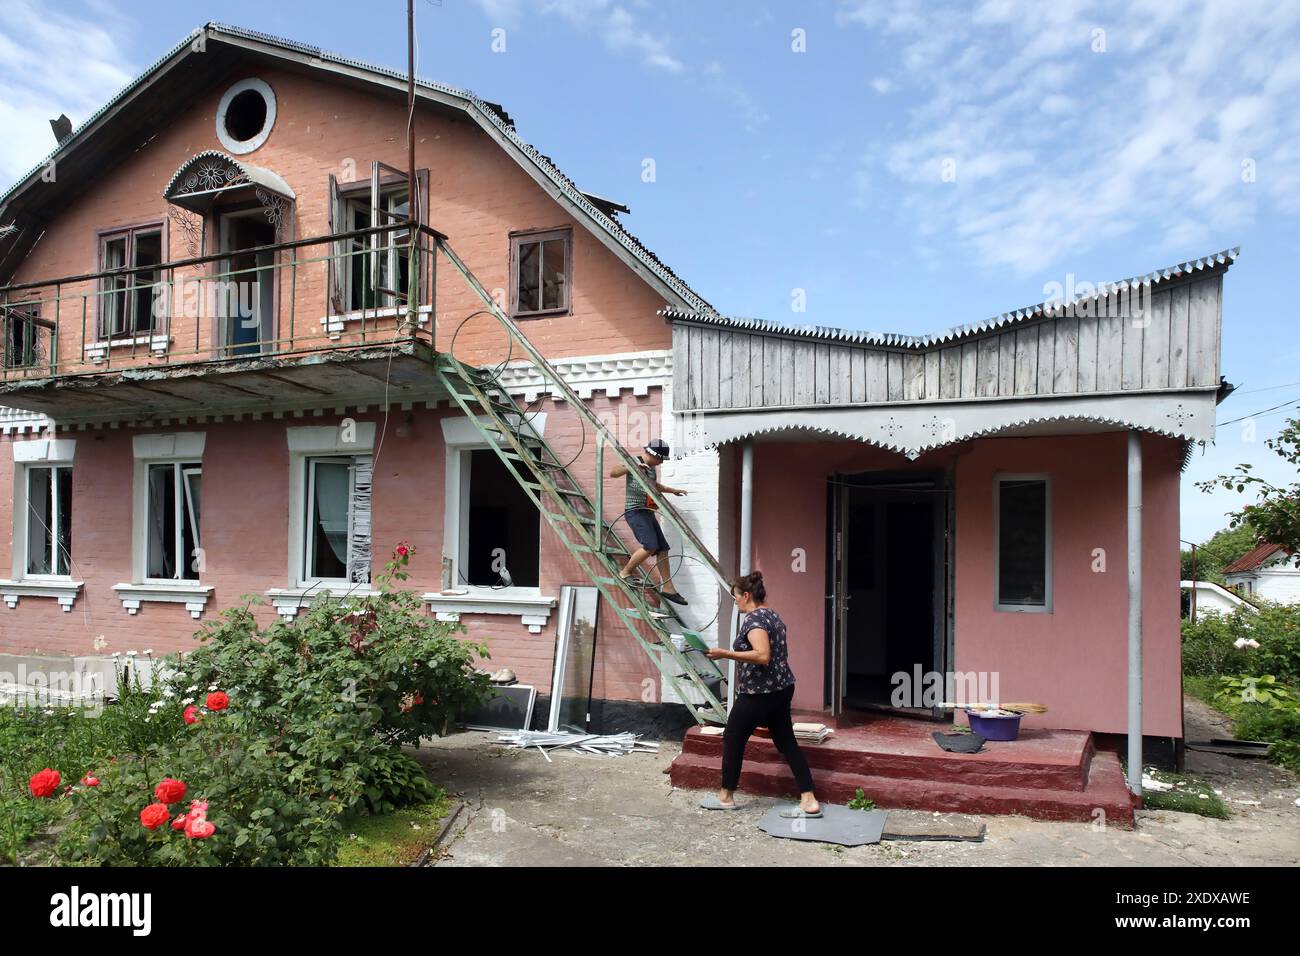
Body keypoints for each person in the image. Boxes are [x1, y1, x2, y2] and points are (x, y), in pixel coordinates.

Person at [700, 570, 821, 817]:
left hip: (759, 693)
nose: (735, 602)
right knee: (786, 741)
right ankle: (808, 798)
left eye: (736, 597)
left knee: (733, 736)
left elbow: (762, 655)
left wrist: (725, 653)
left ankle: (726, 796)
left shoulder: (754, 620)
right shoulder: (772, 615)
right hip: (782, 688)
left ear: (746, 595)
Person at [609, 438, 689, 605]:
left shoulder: (651, 469)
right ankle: (625, 572)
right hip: (635, 512)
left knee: (663, 548)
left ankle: (668, 587)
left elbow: (655, 485)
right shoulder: (634, 461)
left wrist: (672, 490)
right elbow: (614, 472)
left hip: (647, 513)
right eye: (660, 459)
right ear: (653, 454)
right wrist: (632, 467)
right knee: (650, 545)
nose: (660, 462)